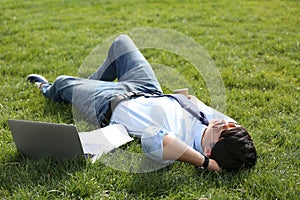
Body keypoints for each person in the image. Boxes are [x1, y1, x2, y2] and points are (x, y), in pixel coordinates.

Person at [27, 34, 257, 172]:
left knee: (62, 83)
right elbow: (215, 119)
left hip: (110, 103)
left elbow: (152, 138)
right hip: (147, 89)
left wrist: (205, 164)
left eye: (224, 131)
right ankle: (87, 86)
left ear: (208, 150)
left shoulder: (179, 146)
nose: (225, 123)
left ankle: (48, 89)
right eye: (231, 125)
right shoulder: (222, 126)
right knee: (121, 44)